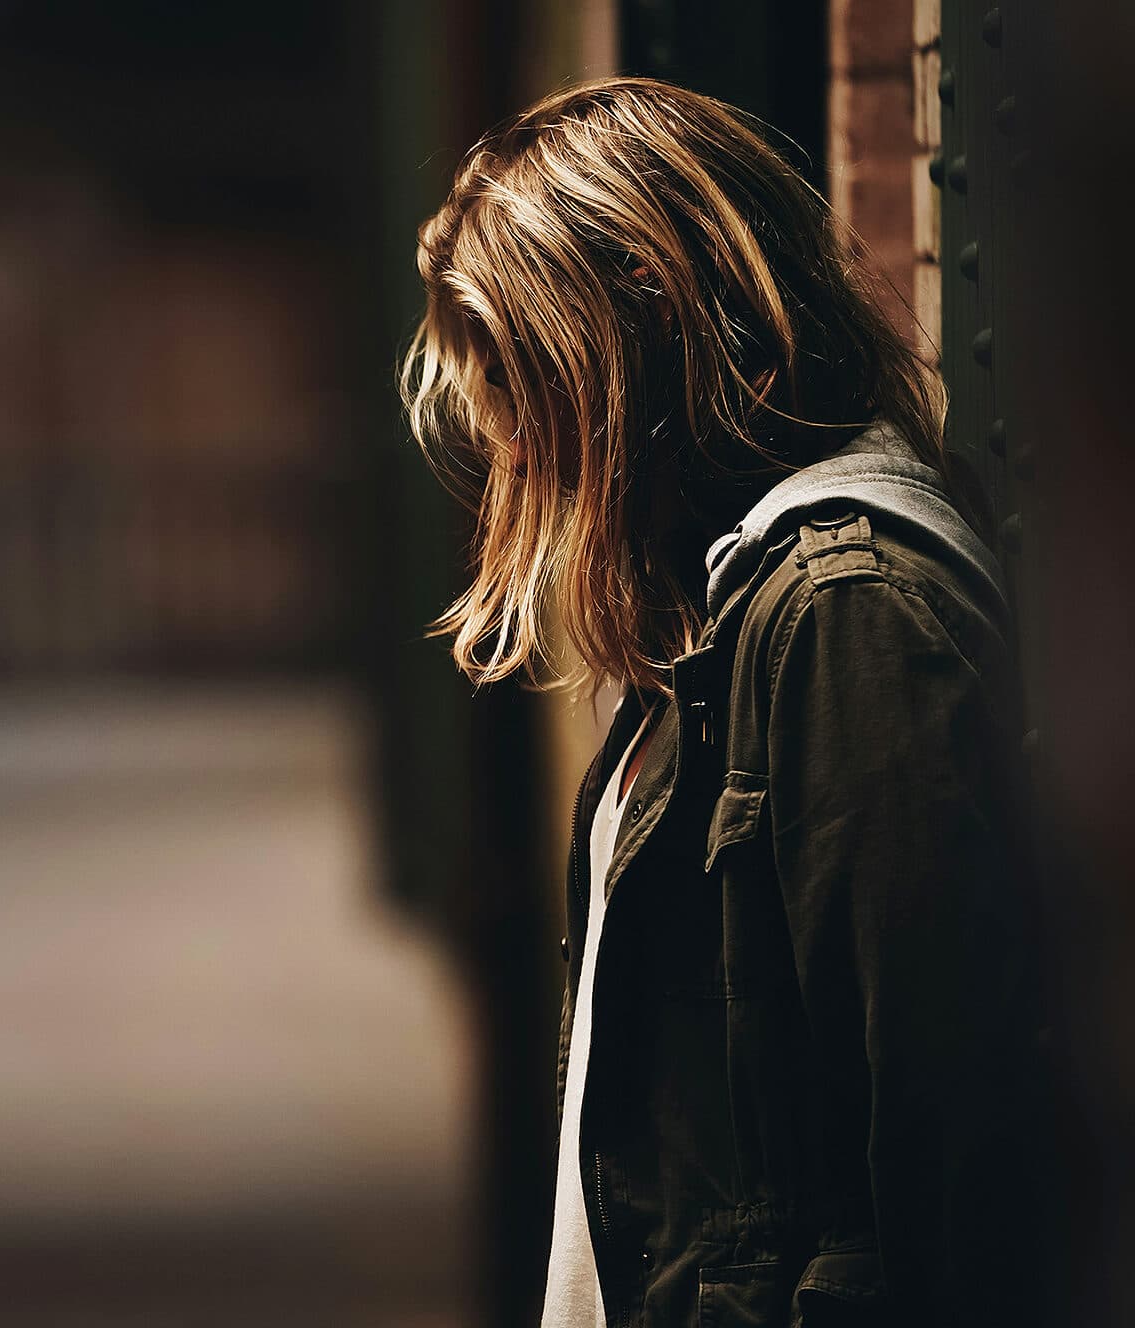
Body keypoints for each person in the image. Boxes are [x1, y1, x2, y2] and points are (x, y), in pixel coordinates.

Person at [400, 77, 1058, 1328]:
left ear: (633, 329)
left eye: (520, 374)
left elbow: (951, 1151)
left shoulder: (841, 613)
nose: (513, 445)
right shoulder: (735, 604)